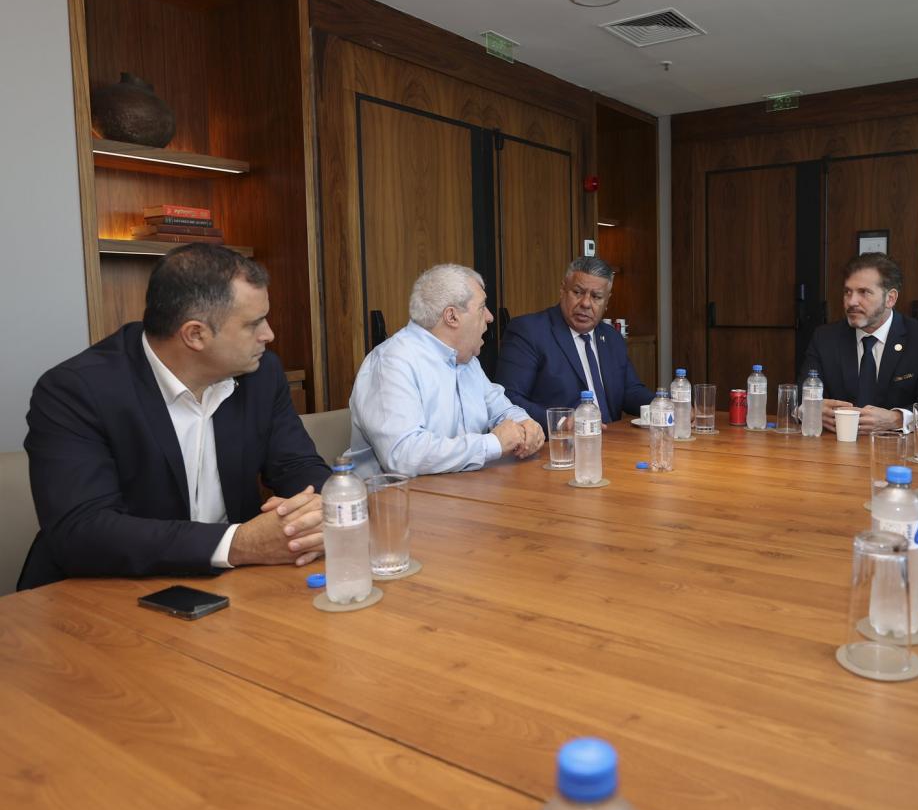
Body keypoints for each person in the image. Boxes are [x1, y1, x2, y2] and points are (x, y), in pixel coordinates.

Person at [19, 244, 330, 591]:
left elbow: (298, 465)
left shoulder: (260, 373)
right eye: (254, 323)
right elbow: (83, 530)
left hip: (231, 585)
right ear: (195, 334)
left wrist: (319, 507)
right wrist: (239, 543)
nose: (268, 335)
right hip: (100, 592)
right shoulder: (75, 391)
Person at [348, 263, 544, 476]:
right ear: (452, 317)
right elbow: (403, 455)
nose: (490, 317)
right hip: (395, 500)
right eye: (482, 307)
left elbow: (502, 410)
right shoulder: (392, 362)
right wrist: (492, 444)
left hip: (462, 491)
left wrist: (524, 424)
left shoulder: (466, 359)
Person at [496, 257, 655, 429]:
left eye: (596, 297)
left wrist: (667, 406)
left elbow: (630, 391)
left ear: (607, 301)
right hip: (561, 445)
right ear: (563, 289)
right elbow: (508, 399)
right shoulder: (529, 331)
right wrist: (562, 423)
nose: (586, 303)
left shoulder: (612, 337)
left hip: (611, 440)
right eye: (578, 292)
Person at [798, 253, 918, 433]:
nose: (851, 302)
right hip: (833, 447)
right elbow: (800, 396)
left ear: (890, 298)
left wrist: (897, 419)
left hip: (896, 449)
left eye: (864, 292)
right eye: (847, 292)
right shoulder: (825, 337)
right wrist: (809, 410)